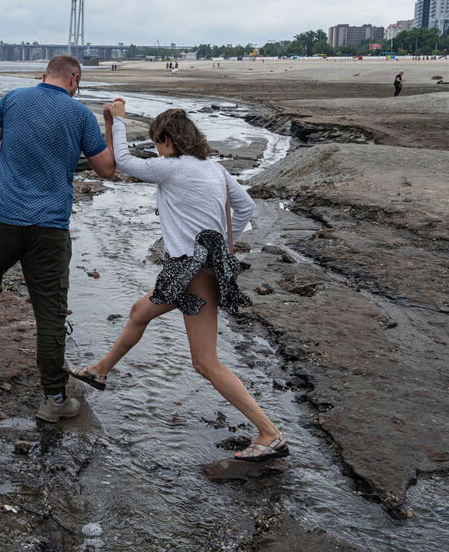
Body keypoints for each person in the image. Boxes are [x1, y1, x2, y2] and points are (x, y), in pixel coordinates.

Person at [68, 101, 288, 461]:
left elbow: (122, 161)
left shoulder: (171, 168)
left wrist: (119, 119)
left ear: (170, 140)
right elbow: (246, 206)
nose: (157, 149)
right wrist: (224, 243)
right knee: (140, 312)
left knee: (205, 362)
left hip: (193, 273)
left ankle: (269, 433)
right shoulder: (214, 169)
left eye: (158, 142)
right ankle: (99, 371)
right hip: (196, 269)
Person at [0, 55, 116, 422]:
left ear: (44, 76)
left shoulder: (12, 99)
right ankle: (54, 398)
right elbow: (106, 169)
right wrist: (108, 122)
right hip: (51, 229)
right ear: (74, 79)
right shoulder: (81, 114)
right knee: (51, 311)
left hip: (4, 219)